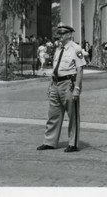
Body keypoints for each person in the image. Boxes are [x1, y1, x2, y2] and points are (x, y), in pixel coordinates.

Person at [37, 23, 86, 153]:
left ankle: (73, 143)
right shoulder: (59, 49)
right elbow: (55, 68)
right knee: (53, 114)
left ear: (69, 34)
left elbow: (80, 70)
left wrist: (77, 88)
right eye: (59, 33)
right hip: (56, 83)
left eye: (63, 33)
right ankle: (49, 142)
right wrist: (51, 85)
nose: (60, 35)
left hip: (68, 84)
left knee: (72, 114)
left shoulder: (76, 49)